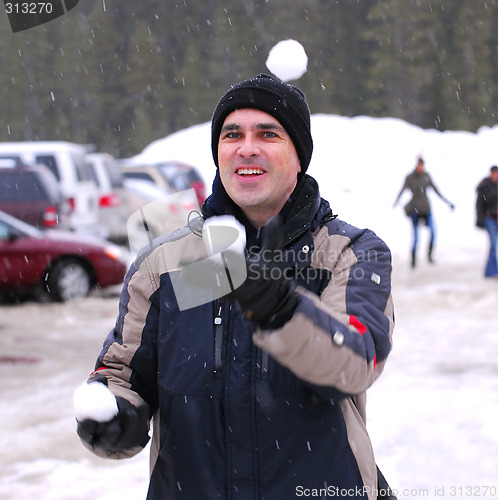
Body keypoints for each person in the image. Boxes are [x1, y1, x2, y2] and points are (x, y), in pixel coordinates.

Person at [75, 74, 396, 500]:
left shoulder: (348, 252)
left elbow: (356, 362)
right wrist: (115, 417)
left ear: (298, 156)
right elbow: (124, 374)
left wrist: (284, 311)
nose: (247, 147)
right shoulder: (164, 264)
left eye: (268, 133)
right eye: (232, 134)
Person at [393, 156, 454, 268]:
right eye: (419, 165)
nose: (421, 167)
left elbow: (436, 190)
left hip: (426, 208)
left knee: (433, 232)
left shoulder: (426, 176)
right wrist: (396, 202)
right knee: (416, 237)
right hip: (415, 209)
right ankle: (413, 260)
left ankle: (430, 255)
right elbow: (402, 189)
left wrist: (447, 202)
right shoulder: (410, 177)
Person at [476, 165, 498, 278]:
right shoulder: (485, 185)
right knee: (493, 244)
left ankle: (490, 271)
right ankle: (492, 271)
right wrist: (479, 219)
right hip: (489, 217)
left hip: (497, 218)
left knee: (495, 245)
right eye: (495, 173)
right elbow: (479, 204)